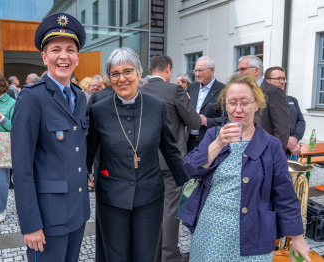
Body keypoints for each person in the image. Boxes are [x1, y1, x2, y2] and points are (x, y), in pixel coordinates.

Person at [181, 74, 310, 262]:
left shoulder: (271, 144)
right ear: (225, 105)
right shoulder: (214, 135)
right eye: (232, 102)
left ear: (257, 104)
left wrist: (297, 238)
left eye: (245, 102)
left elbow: (285, 193)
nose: (238, 109)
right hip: (211, 231)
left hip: (254, 234)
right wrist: (218, 143)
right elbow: (191, 168)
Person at [86, 47, 189, 262]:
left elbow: (170, 149)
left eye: (128, 71)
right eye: (115, 73)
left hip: (149, 196)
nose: (122, 78)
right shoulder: (99, 110)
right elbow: (89, 150)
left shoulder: (157, 107)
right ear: (110, 78)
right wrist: (80, 180)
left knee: (146, 255)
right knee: (116, 256)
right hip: (111, 197)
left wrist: (186, 187)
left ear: (139, 73)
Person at [11, 13, 90, 262]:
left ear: (77, 57)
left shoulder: (80, 97)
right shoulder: (31, 98)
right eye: (55, 49)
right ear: (44, 56)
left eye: (70, 49)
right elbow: (22, 168)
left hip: (77, 215)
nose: (63, 56)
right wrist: (30, 224)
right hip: (46, 220)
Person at [140, 55, 201, 262]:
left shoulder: (139, 90)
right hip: (170, 161)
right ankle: (168, 256)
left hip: (144, 161)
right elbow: (194, 121)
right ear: (168, 69)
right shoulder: (175, 90)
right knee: (170, 209)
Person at [236, 55, 290, 151]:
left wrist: (276, 155)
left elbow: (282, 128)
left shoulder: (274, 92)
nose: (239, 73)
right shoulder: (243, 91)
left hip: (264, 150)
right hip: (243, 148)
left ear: (256, 70)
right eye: (238, 70)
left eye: (242, 69)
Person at [264, 66, 305, 160]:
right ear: (267, 81)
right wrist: (284, 141)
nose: (282, 81)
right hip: (273, 152)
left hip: (292, 151)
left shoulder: (292, 100)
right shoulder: (261, 100)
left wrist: (295, 138)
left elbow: (301, 121)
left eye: (283, 78)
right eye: (278, 78)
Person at [187, 56, 226, 153]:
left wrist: (206, 121)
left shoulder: (223, 90)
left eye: (200, 70)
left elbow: (227, 118)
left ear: (212, 70)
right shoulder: (191, 87)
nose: (197, 74)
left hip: (210, 142)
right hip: (189, 141)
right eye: (195, 71)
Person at [0, 71, 15, 223]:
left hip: (2, 143)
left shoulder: (10, 103)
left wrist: (1, 118)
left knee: (1, 180)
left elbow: (14, 127)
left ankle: (1, 209)